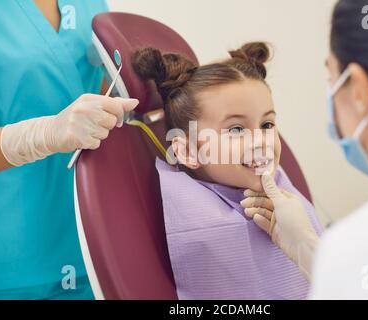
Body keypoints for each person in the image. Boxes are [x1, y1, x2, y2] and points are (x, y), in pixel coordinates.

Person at [241, 0, 368, 299]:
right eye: (235, 130)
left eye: (331, 79)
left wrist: (329, 257)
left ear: (359, 91)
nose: (258, 141)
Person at [132, 42, 322, 299]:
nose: (261, 141)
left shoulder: (282, 192)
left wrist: (306, 246)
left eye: (267, 124)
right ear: (188, 151)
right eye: (235, 129)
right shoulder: (205, 227)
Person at [0, 0, 139, 299]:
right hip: (13, 261)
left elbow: (101, 100)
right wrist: (44, 134)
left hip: (93, 243)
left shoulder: (89, 5)